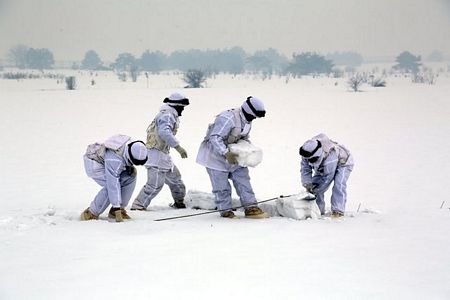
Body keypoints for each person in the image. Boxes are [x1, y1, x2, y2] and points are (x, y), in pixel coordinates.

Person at [196, 96, 268, 219]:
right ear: (249, 111)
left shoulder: (247, 121)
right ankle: (225, 211)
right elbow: (215, 137)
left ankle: (251, 207)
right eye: (255, 115)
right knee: (221, 187)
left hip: (235, 156)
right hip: (215, 157)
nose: (255, 118)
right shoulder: (228, 118)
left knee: (243, 181)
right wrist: (225, 153)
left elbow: (243, 137)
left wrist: (248, 150)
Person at [131, 92, 189, 211]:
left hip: (164, 156)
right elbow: (164, 132)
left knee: (176, 181)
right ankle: (138, 206)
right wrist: (178, 147)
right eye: (182, 107)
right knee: (155, 185)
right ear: (176, 106)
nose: (183, 110)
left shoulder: (170, 115)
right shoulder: (167, 116)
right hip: (155, 155)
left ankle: (179, 202)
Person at [80, 134, 148, 222]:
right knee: (112, 186)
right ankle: (91, 213)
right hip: (95, 164)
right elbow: (113, 184)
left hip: (107, 163)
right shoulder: (115, 160)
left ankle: (114, 211)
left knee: (131, 175)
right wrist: (117, 208)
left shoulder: (138, 147)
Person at [299, 133, 354, 218]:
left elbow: (327, 179)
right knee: (315, 185)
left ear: (316, 155)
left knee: (339, 184)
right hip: (322, 166)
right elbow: (305, 169)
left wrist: (314, 190)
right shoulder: (307, 153)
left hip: (343, 162)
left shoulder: (329, 160)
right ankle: (317, 210)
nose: (308, 161)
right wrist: (307, 183)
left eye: (311, 159)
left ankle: (338, 211)